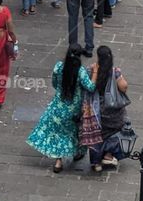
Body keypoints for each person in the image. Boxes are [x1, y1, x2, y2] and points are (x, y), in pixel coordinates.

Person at [27, 45, 97, 173]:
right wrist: (95, 72)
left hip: (57, 107)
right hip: (74, 110)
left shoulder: (58, 66)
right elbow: (91, 87)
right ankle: (77, 153)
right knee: (74, 132)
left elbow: (54, 83)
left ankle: (58, 162)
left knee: (58, 133)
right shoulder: (80, 71)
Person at [89, 45, 130, 173]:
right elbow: (123, 86)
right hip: (113, 112)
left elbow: (89, 85)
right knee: (119, 129)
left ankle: (96, 163)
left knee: (96, 134)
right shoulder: (115, 71)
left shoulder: (92, 70)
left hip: (97, 110)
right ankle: (108, 154)